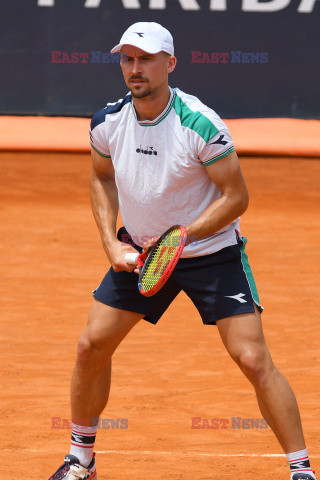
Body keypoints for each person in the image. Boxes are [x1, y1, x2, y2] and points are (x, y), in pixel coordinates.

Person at [48, 21, 317, 480]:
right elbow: (101, 177)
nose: (136, 69)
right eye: (128, 59)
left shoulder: (200, 123)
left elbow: (236, 197)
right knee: (91, 346)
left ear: (169, 64)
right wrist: (111, 242)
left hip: (211, 253)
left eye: (147, 59)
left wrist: (180, 239)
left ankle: (301, 470)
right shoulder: (107, 122)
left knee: (253, 360)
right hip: (141, 252)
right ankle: (81, 460)